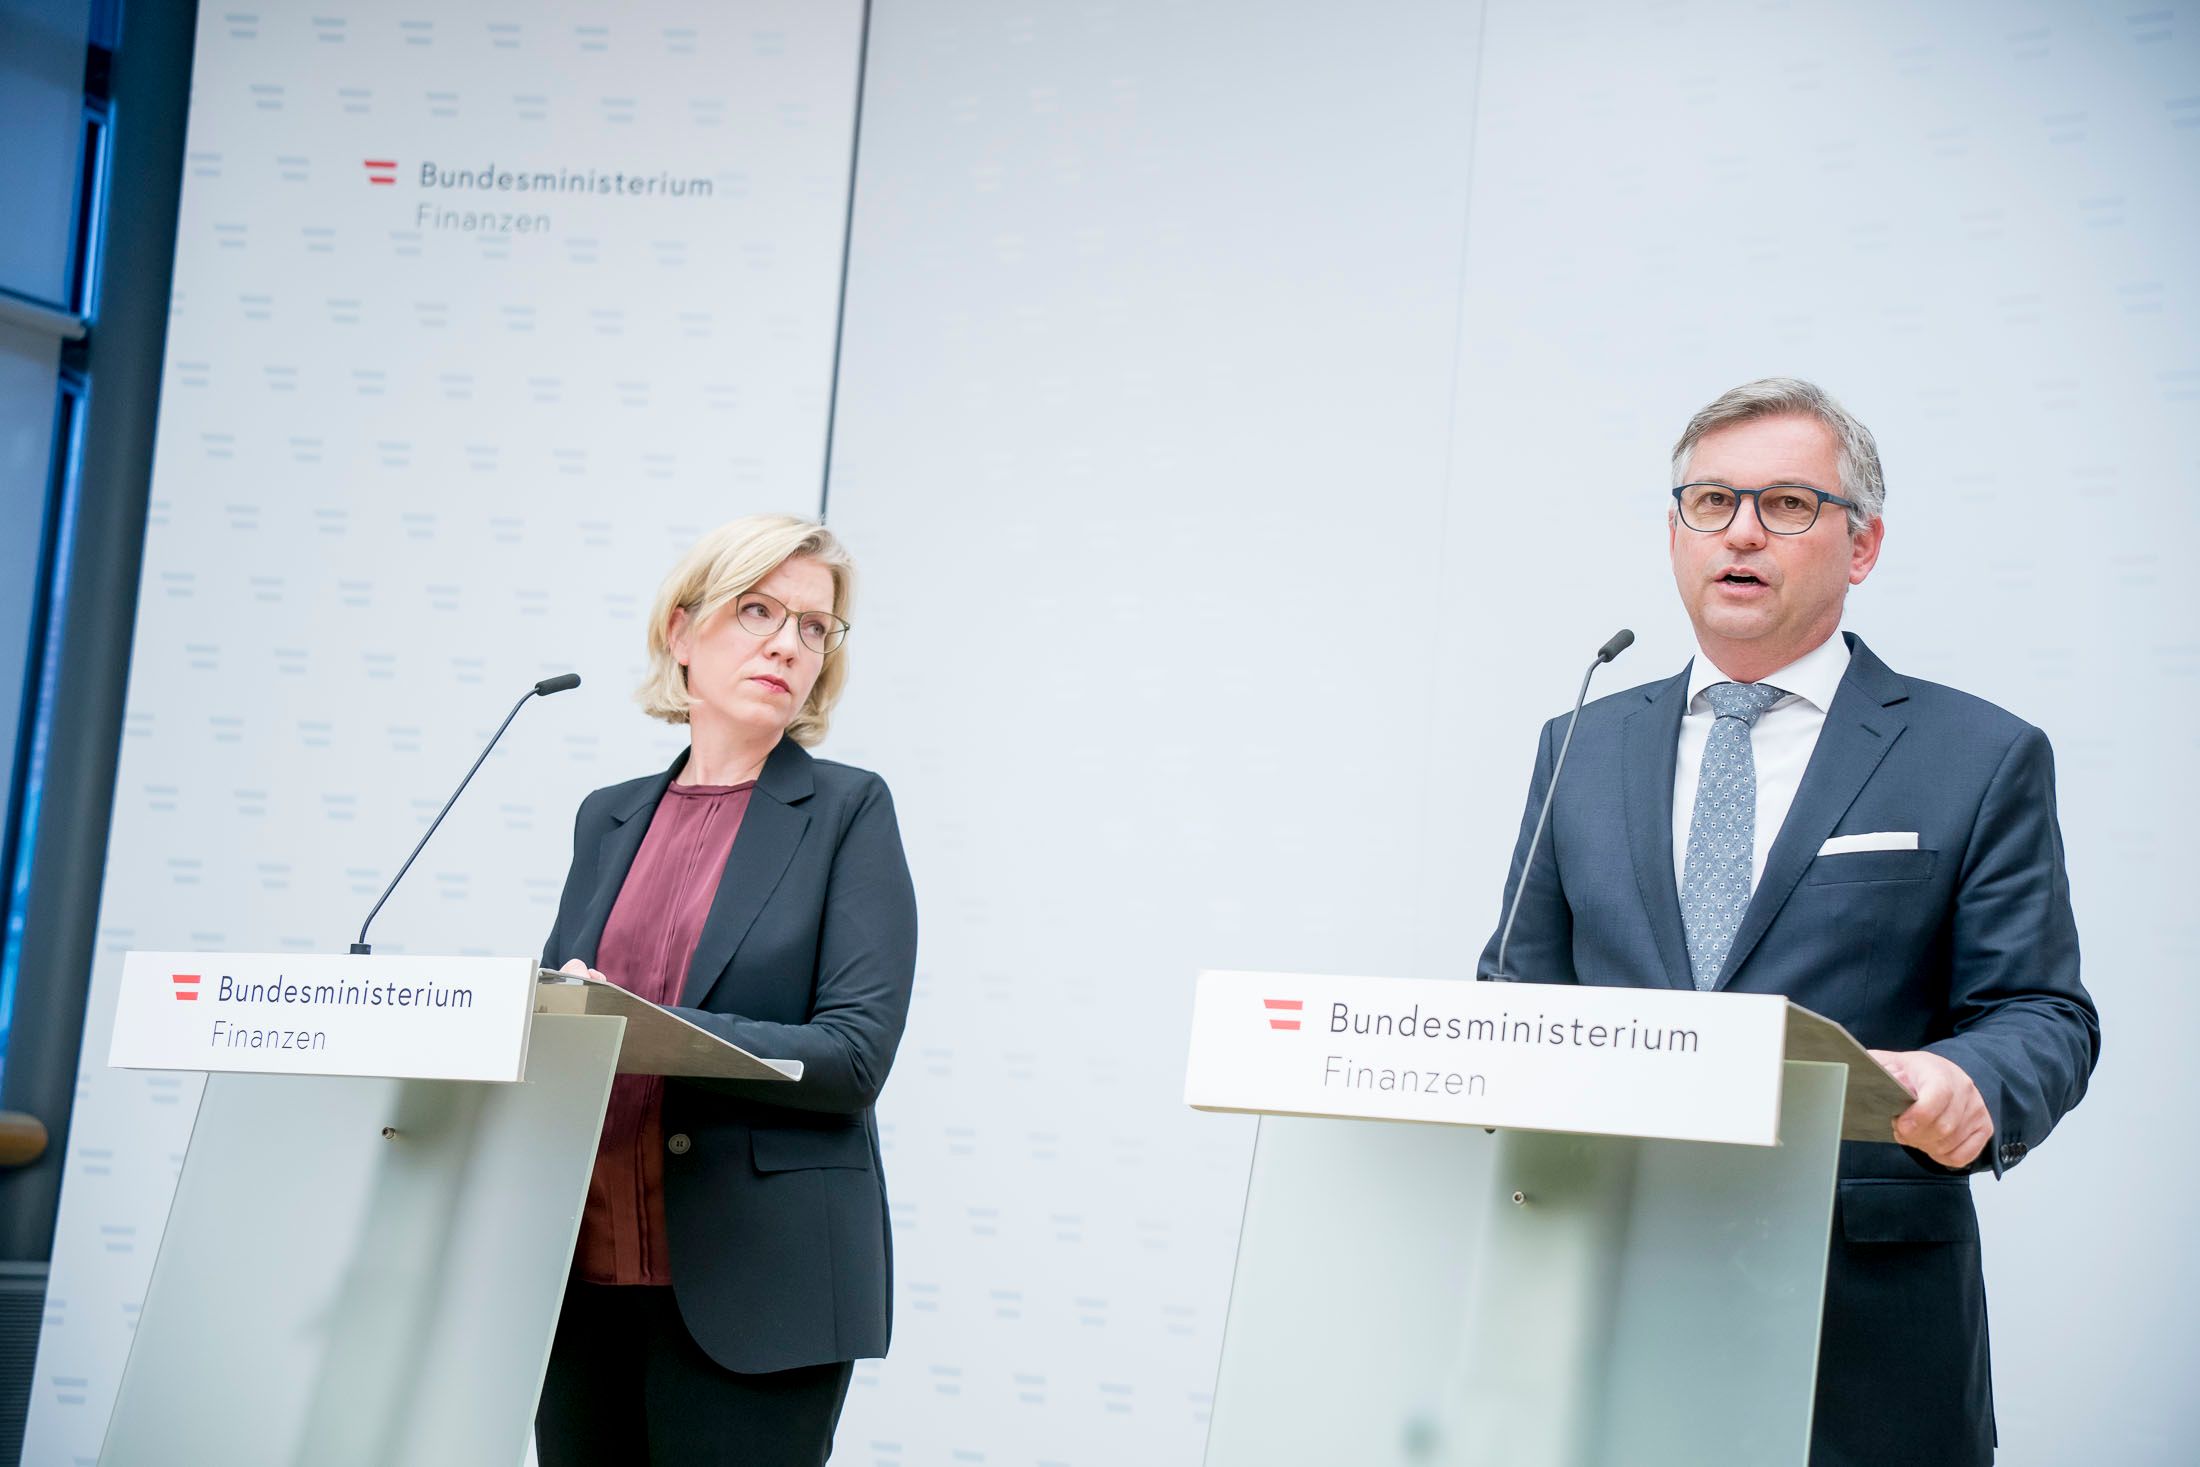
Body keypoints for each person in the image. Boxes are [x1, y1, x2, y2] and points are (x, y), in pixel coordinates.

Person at [1478, 378, 2099, 1467]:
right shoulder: (1578, 742)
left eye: (1788, 504)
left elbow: (2042, 1012)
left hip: (1859, 1326)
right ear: (1675, 532)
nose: (1742, 532)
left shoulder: (1977, 754)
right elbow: (1517, 994)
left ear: (1862, 547)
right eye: (1711, 500)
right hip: (1606, 1304)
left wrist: (1972, 1083)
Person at [536, 514, 918, 1467]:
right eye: (758, 610)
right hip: (579, 1286)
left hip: (758, 1287)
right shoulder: (607, 817)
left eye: (814, 626)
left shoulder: (848, 811)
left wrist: (648, 1029)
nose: (788, 644)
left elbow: (854, 1055)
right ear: (681, 629)